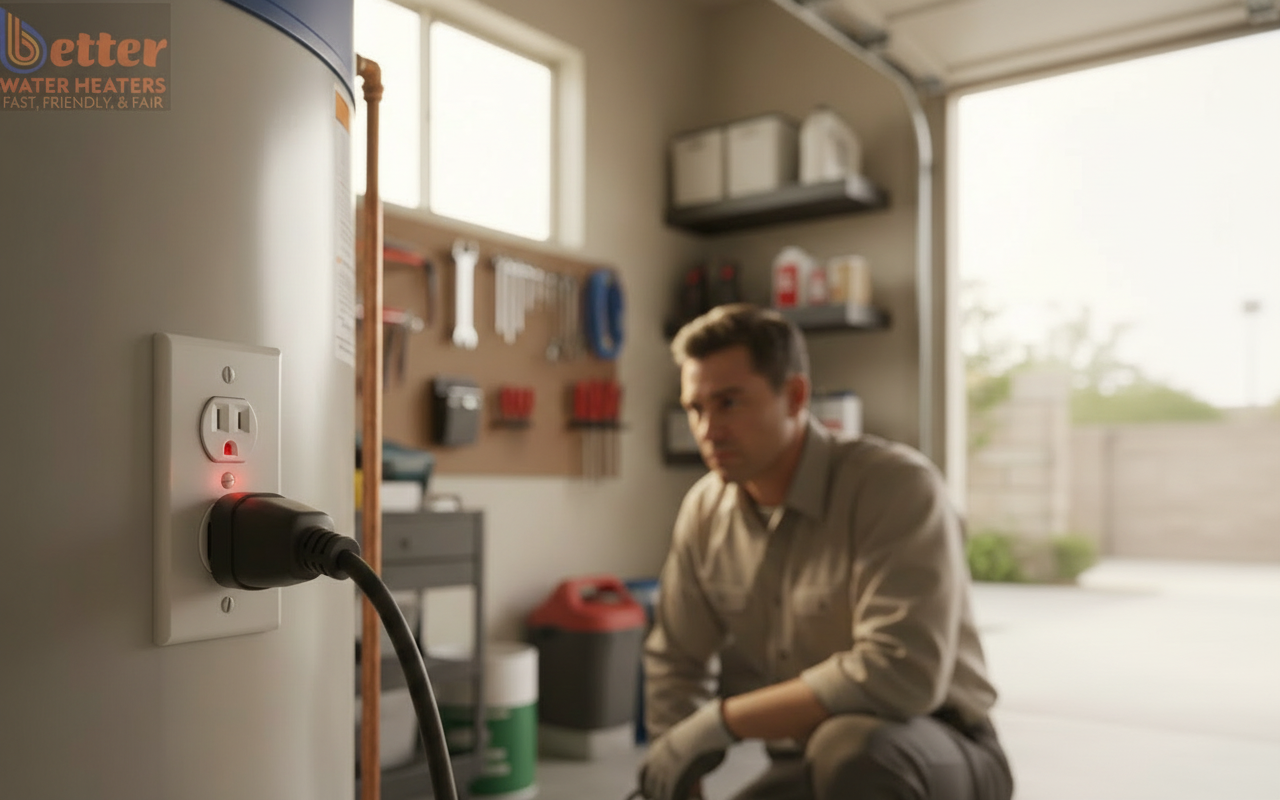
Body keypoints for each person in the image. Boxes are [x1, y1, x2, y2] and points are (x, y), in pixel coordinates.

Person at [637, 304, 1013, 800]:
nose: (708, 429)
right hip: (809, 758)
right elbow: (676, 662)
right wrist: (679, 768)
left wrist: (723, 721)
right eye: (696, 408)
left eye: (729, 402)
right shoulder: (705, 509)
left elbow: (901, 673)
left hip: (936, 747)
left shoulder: (894, 487)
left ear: (794, 396)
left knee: (853, 750)